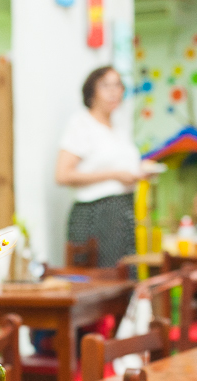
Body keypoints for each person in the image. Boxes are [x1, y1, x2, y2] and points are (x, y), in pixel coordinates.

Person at [55, 66, 152, 267]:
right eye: (106, 85)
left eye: (118, 85)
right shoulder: (82, 124)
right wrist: (114, 175)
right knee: (105, 283)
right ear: (92, 92)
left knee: (125, 278)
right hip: (95, 213)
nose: (113, 91)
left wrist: (138, 171)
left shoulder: (119, 128)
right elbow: (62, 175)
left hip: (123, 210)